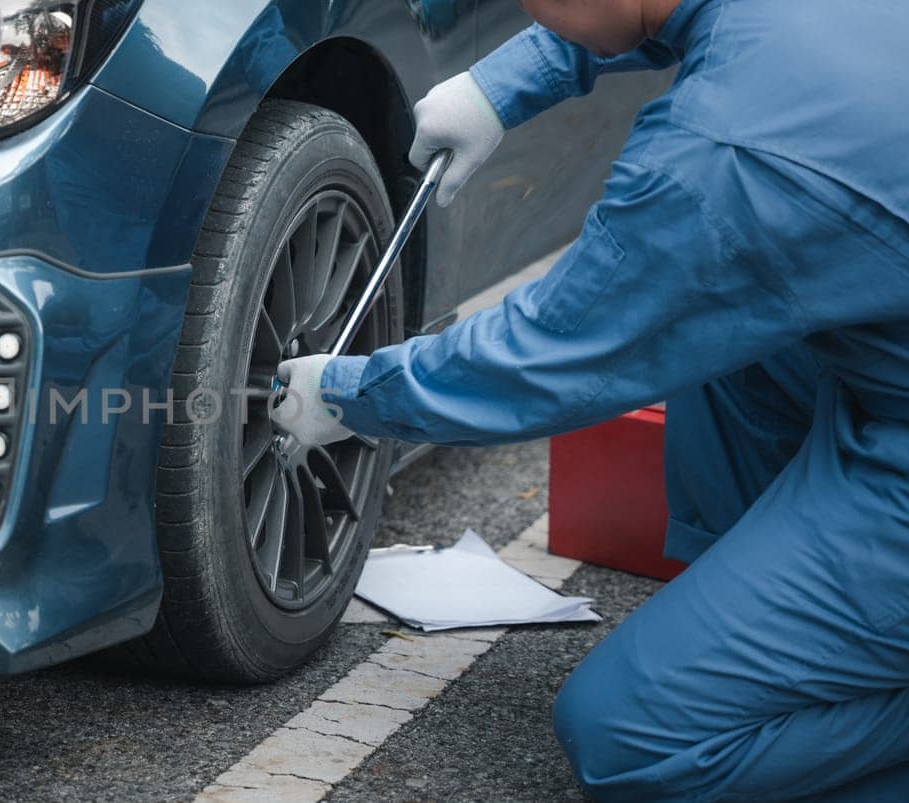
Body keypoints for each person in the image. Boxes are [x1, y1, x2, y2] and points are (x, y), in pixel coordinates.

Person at [271, 0, 909, 799]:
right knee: (734, 336)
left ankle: (782, 676)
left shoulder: (724, 157)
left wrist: (351, 394)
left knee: (626, 738)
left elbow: (546, 356)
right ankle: (781, 635)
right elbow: (645, 16)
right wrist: (503, 84)